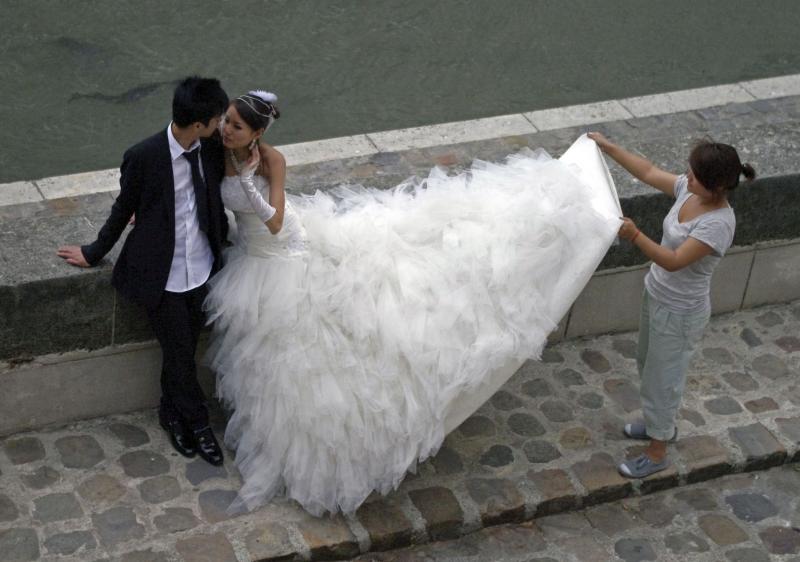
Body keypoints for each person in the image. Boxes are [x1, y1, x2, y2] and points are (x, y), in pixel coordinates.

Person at [209, 91, 622, 516]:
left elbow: (276, 221)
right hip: (253, 256)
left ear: (256, 133)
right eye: (225, 121)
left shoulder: (271, 160)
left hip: (283, 250)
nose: (226, 129)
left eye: (236, 125)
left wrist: (247, 181)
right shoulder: (217, 152)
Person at [57, 76, 230, 467]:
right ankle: (199, 423)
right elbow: (123, 208)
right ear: (198, 123)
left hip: (203, 267)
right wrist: (93, 252)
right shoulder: (144, 156)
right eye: (217, 118)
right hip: (162, 274)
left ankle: (170, 413)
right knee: (181, 354)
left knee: (181, 350)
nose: (221, 124)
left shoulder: (210, 147)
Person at [587, 132, 756, 479]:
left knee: (663, 379)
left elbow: (675, 260)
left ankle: (658, 450)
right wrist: (609, 146)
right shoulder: (690, 191)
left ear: (716, 186)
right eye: (689, 171)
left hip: (680, 312)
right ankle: (657, 425)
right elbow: (648, 171)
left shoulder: (718, 223)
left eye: (694, 175)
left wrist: (635, 235)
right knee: (647, 364)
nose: (687, 177)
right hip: (657, 296)